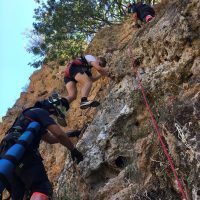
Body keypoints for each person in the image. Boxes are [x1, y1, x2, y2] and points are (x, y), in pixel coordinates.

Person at [0, 94, 83, 200]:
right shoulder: (40, 112)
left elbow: (51, 139)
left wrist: (71, 134)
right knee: (41, 189)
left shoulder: (27, 117)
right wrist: (73, 149)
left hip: (8, 157)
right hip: (24, 155)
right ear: (52, 107)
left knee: (21, 196)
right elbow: (59, 134)